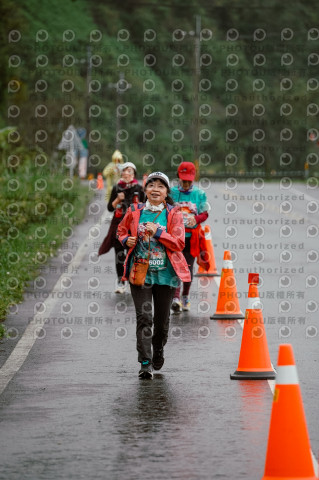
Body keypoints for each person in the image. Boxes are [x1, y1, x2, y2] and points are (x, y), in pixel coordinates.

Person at [117, 172, 191, 379]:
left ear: (167, 192)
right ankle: (145, 362)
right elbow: (120, 231)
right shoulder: (134, 211)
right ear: (145, 190)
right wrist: (125, 241)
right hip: (140, 273)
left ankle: (158, 348)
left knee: (161, 321)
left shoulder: (174, 213)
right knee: (144, 318)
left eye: (160, 186)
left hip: (166, 275)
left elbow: (179, 243)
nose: (155, 189)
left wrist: (158, 233)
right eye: (151, 185)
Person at [98, 162, 145, 293]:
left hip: (134, 226)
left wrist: (141, 206)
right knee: (119, 254)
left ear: (134, 174)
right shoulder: (117, 188)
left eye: (129, 171)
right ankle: (121, 281)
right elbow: (109, 208)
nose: (126, 173)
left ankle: (133, 279)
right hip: (119, 225)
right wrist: (117, 200)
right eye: (124, 171)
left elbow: (146, 207)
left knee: (134, 253)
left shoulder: (139, 188)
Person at [170, 162, 209, 313]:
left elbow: (205, 213)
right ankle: (175, 298)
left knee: (187, 268)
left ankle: (185, 295)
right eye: (183, 180)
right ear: (178, 177)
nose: (186, 184)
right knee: (175, 267)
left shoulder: (199, 194)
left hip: (191, 238)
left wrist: (196, 219)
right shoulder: (172, 193)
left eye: (189, 181)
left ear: (193, 179)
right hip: (175, 237)